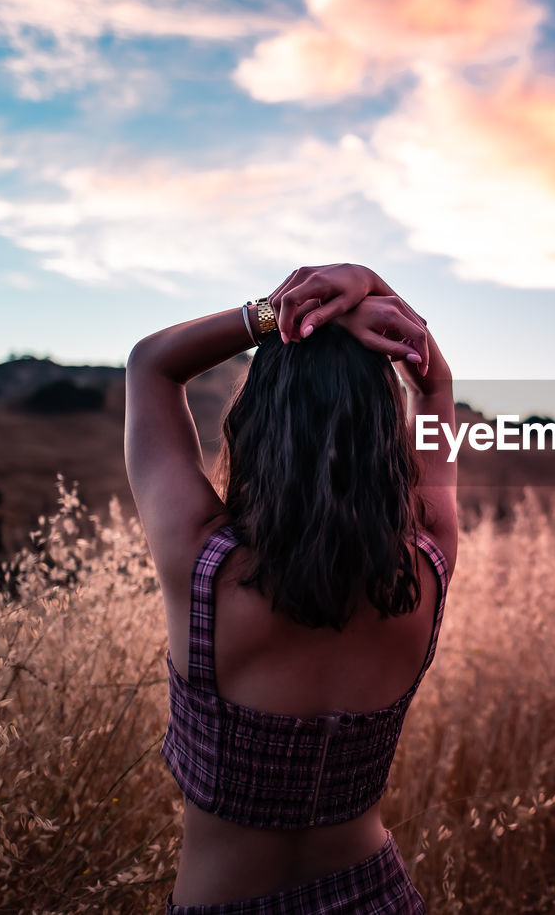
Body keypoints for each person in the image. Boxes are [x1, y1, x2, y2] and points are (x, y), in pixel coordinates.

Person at [124, 263, 458, 913]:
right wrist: (368, 284)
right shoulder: (429, 557)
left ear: (259, 423)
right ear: (383, 432)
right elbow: (434, 381)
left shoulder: (202, 563)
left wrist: (277, 316)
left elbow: (150, 364)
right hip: (379, 897)